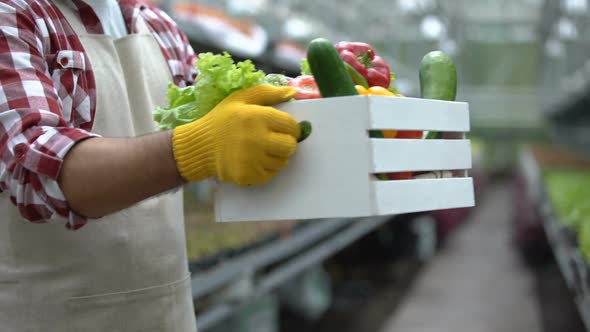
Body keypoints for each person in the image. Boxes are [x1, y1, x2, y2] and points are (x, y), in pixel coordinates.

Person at [0, 0, 301, 331]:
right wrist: (195, 149)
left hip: (166, 313)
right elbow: (34, 169)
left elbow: (229, 133)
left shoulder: (157, 24)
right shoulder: (14, 14)